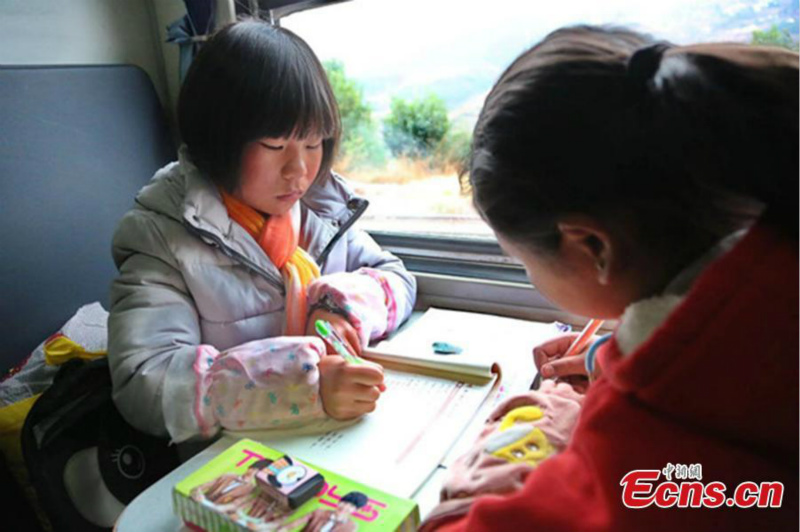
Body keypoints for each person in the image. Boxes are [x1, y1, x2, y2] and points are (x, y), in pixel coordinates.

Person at [422, 25, 798, 531]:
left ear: (592, 247)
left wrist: (513, 449)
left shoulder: (654, 426)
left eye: (522, 262)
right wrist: (607, 359)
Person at [107, 20, 415, 444]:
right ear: (219, 139)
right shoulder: (161, 236)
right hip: (230, 459)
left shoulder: (317, 213)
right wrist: (302, 383)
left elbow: (396, 278)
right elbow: (146, 381)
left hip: (325, 440)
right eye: (275, 146)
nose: (300, 170)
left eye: (313, 144)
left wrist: (339, 309)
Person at [276, 490, 368, 532]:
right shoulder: (320, 512)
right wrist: (283, 529)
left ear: (356, 510)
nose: (345, 507)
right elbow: (297, 522)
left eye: (351, 506)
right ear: (339, 502)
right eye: (344, 502)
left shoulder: (351, 526)